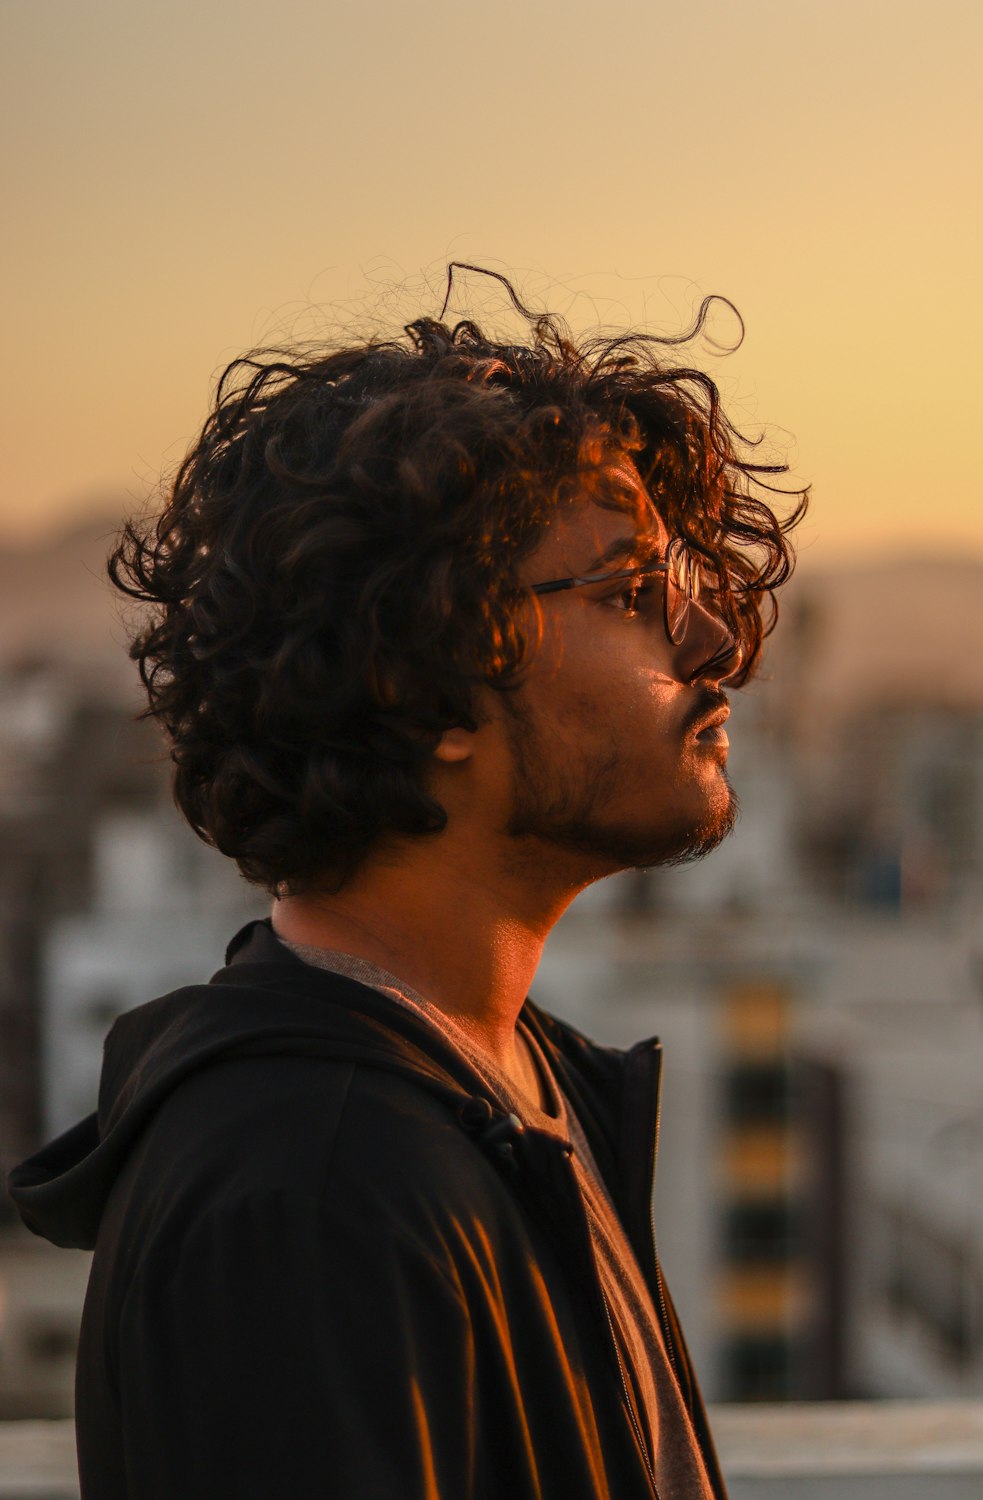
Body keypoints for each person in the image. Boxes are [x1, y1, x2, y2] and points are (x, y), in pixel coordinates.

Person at [8, 268, 806, 1499]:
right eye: (629, 591)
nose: (709, 641)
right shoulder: (312, 1199)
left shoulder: (509, 1094)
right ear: (425, 684)